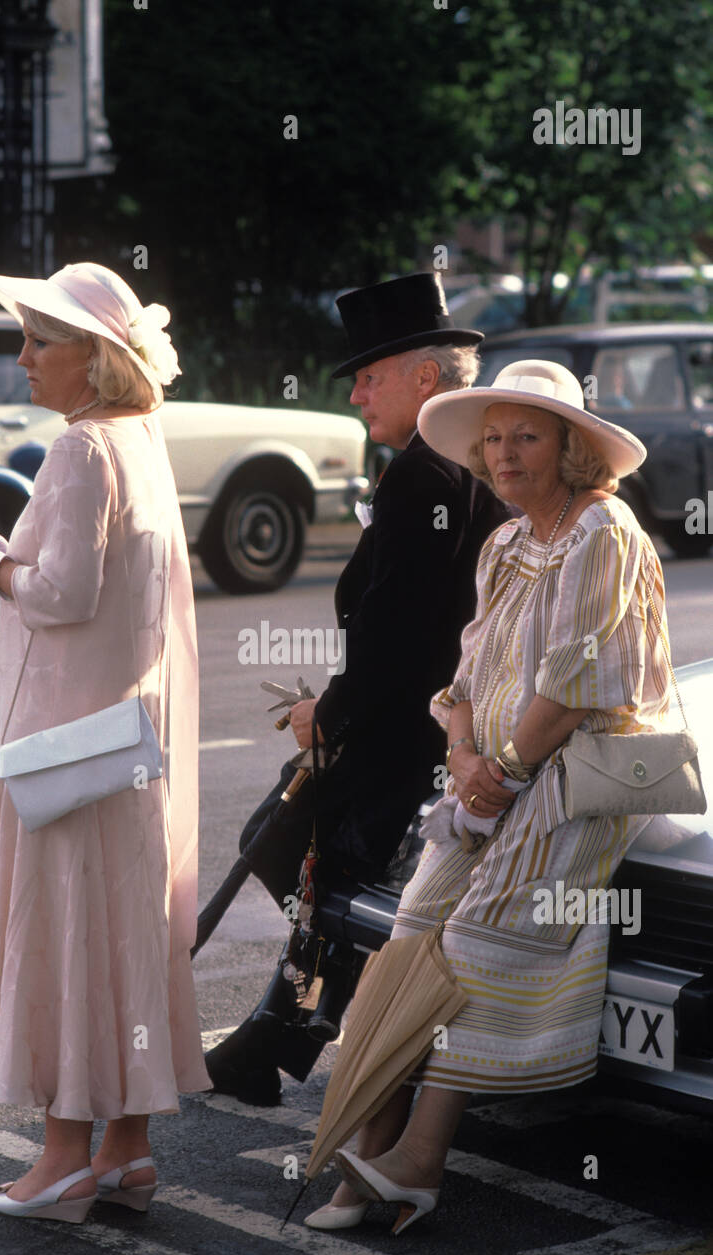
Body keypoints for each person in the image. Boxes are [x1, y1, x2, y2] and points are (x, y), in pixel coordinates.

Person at [305, 358, 672, 1232]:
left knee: (473, 941)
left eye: (527, 436)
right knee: (410, 932)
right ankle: (366, 1150)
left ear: (571, 447)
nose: (504, 455)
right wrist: (465, 754)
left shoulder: (602, 529)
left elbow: (575, 683)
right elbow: (464, 676)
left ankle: (418, 1162)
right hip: (490, 771)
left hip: (583, 770)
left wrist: (496, 778)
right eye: (494, 438)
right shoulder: (505, 542)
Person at [206, 272, 510, 1105]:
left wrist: (324, 714)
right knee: (310, 864)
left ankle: (348, 1034)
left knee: (295, 853)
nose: (354, 393)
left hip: (409, 739)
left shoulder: (423, 473)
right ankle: (280, 1038)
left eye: (369, 375)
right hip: (442, 728)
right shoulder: (475, 458)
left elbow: (399, 639)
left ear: (425, 377)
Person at [0, 262, 209, 1222]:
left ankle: (60, 1159)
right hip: (122, 742)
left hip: (65, 747)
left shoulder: (82, 451)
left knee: (64, 936)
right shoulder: (140, 438)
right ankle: (126, 1150)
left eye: (39, 342)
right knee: (121, 932)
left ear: (96, 360)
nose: (22, 360)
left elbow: (62, 594)